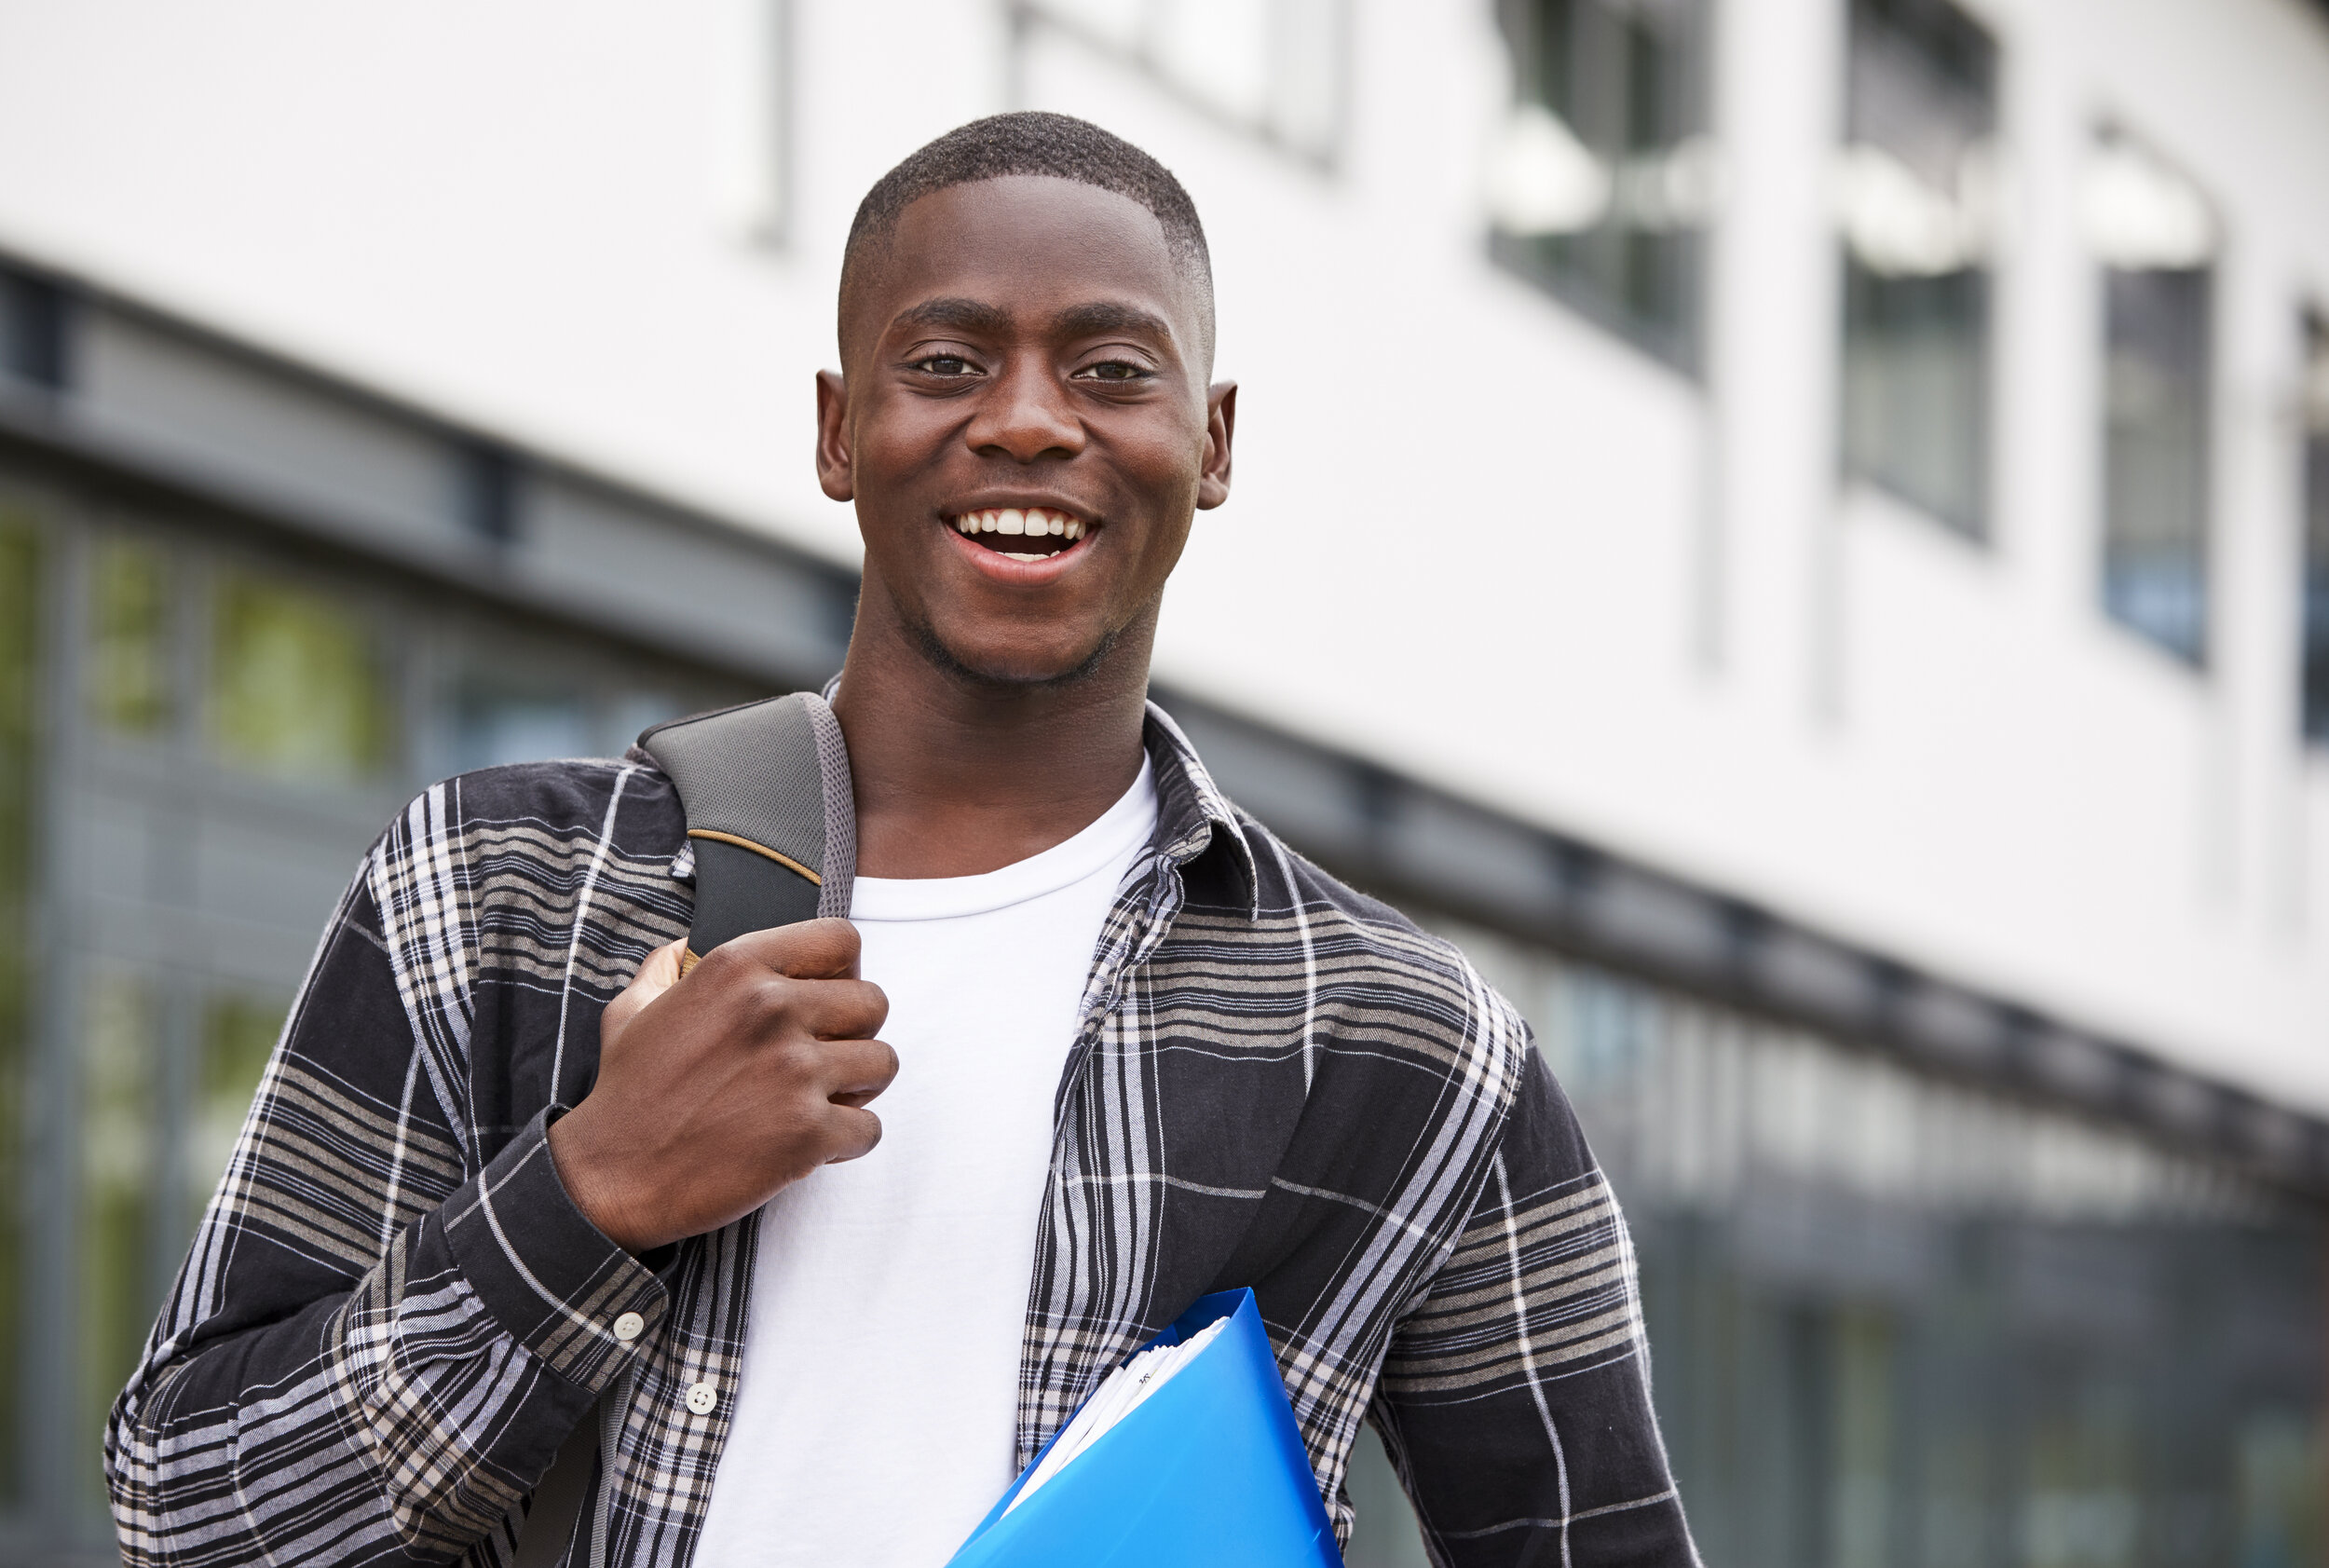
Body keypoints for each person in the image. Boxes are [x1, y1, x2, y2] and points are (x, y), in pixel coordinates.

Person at [105, 113, 1697, 1568]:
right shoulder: (498, 888)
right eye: (944, 362)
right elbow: (185, 1513)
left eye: (1111, 370)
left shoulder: (1404, 1045)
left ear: (1211, 445)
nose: (1025, 422)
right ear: (837, 431)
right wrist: (592, 1194)